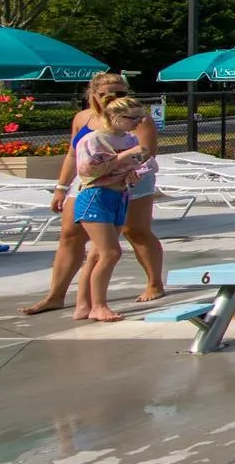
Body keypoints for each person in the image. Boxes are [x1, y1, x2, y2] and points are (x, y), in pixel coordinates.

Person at [20, 72, 166, 316]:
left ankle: (154, 282)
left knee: (135, 231)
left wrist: (128, 169)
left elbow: (146, 153)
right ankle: (57, 296)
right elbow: (73, 155)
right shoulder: (83, 119)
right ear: (92, 95)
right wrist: (61, 187)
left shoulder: (136, 119)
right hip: (90, 181)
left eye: (121, 93)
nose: (113, 97)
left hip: (129, 180)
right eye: (107, 93)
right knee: (70, 235)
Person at [67, 96, 150, 322]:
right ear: (114, 117)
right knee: (110, 253)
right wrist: (122, 158)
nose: (137, 122)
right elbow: (86, 172)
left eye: (140, 118)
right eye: (132, 118)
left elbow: (139, 165)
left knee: (96, 255)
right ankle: (99, 306)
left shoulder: (131, 139)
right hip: (96, 196)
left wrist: (134, 173)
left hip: (119, 195)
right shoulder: (93, 140)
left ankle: (84, 306)